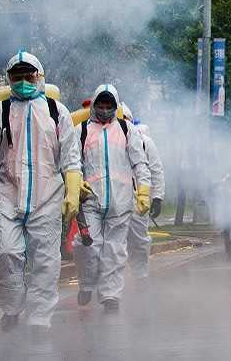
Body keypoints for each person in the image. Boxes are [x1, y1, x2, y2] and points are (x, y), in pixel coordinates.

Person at [0, 52, 82, 333]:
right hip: (8, 194)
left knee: (45, 261)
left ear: (39, 76)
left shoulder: (56, 111)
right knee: (4, 253)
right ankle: (12, 306)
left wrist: (72, 193)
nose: (24, 81)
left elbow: (71, 159)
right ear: (9, 79)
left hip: (47, 197)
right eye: (18, 76)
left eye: (29, 75)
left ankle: (40, 318)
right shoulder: (0, 111)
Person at [74, 85, 150, 312]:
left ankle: (110, 296)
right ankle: (87, 283)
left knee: (114, 251)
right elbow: (72, 162)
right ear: (95, 105)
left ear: (115, 107)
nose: (105, 109)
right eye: (101, 105)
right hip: (90, 201)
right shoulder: (82, 131)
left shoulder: (127, 130)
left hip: (121, 202)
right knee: (87, 246)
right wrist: (76, 182)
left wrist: (145, 192)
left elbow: (140, 163)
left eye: (109, 106)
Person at [121, 103, 166, 279]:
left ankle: (140, 275)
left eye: (126, 119)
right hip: (112, 200)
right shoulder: (105, 139)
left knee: (139, 240)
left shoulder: (145, 143)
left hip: (137, 200)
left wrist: (157, 198)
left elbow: (155, 170)